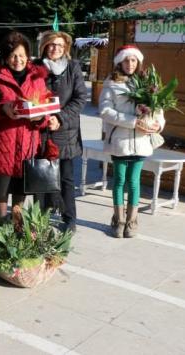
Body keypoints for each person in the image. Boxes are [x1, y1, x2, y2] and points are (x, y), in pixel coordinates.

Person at [0, 31, 49, 223]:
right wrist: (2, 109)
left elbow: (45, 109)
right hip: (3, 141)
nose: (17, 60)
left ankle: (17, 221)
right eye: (12, 56)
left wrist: (39, 118)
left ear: (28, 55)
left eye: (21, 55)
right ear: (5, 57)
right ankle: (1, 221)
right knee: (1, 186)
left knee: (21, 184)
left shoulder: (37, 78)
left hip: (28, 140)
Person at [99, 45, 164, 238]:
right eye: (126, 60)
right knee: (119, 181)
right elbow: (105, 111)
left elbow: (159, 110)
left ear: (138, 62)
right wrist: (133, 122)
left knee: (134, 182)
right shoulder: (111, 83)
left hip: (142, 141)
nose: (130, 64)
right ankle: (118, 221)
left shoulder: (147, 83)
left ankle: (131, 221)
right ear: (120, 62)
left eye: (133, 60)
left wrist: (158, 125)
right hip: (120, 140)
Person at [35, 31, 87, 233]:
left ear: (65, 48)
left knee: (66, 178)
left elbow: (80, 98)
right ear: (44, 47)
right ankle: (41, 218)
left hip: (65, 132)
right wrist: (41, 117)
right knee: (41, 177)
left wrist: (60, 118)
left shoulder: (73, 68)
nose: (54, 48)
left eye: (59, 45)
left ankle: (69, 218)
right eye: (51, 45)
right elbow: (30, 96)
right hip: (41, 131)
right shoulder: (36, 68)